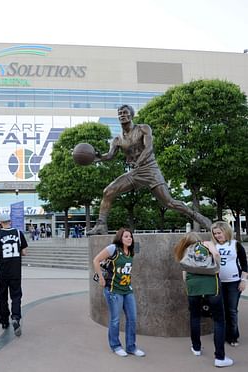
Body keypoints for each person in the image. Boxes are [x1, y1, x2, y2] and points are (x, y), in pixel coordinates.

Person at [87, 105, 211, 235]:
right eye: (120, 113)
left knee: (169, 202)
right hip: (135, 173)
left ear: (131, 115)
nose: (122, 115)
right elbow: (110, 156)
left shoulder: (143, 128)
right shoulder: (117, 139)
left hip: (150, 169)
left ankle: (196, 216)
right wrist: (97, 157)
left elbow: (149, 148)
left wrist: (139, 162)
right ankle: (101, 225)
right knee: (108, 191)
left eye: (125, 113)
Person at [173, 232, 233, 367]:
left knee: (195, 316)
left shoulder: (186, 250)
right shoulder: (206, 244)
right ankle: (220, 357)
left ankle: (196, 348)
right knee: (219, 320)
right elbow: (216, 256)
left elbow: (184, 274)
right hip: (211, 285)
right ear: (199, 239)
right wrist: (215, 264)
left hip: (193, 286)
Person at [92, 228, 145, 357]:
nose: (129, 238)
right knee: (115, 319)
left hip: (127, 289)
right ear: (120, 237)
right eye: (126, 236)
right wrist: (101, 277)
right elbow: (96, 260)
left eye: (130, 236)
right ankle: (115, 346)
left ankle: (131, 347)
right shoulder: (113, 249)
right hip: (113, 290)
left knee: (132, 319)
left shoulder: (131, 251)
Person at [0, 213, 28, 337]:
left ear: (0, 223)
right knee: (16, 295)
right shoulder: (18, 233)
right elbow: (24, 252)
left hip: (2, 271)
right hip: (15, 270)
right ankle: (16, 317)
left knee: (2, 297)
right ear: (10, 221)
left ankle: (4, 321)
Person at [211, 221, 247, 347]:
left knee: (231, 310)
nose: (217, 236)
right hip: (217, 282)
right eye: (215, 234)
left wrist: (243, 281)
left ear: (226, 231)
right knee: (220, 310)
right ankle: (221, 334)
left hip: (233, 282)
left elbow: (244, 265)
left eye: (219, 233)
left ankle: (233, 336)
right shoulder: (213, 246)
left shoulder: (235, 245)